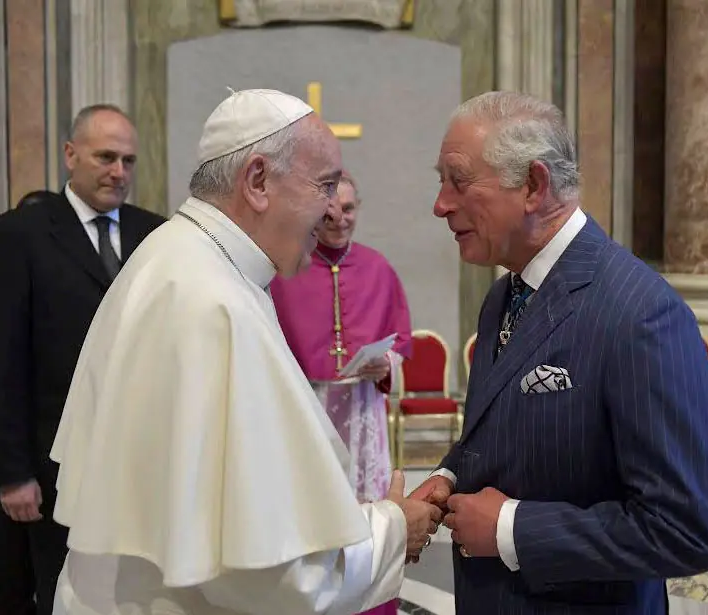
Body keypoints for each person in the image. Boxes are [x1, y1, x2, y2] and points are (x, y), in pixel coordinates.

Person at [48, 89, 442, 615]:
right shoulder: (214, 303)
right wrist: (395, 530)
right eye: (324, 186)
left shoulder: (175, 256)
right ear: (258, 181)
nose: (332, 210)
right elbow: (275, 578)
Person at [411, 91, 708, 614]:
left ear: (533, 185)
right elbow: (510, 428)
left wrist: (512, 529)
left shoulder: (640, 313)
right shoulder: (503, 296)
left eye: (458, 181)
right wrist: (450, 476)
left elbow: (685, 529)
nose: (440, 203)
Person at [0, 104, 166, 615]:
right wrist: (12, 472)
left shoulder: (156, 234)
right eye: (106, 157)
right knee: (58, 591)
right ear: (71, 155)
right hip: (53, 465)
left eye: (129, 161)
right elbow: (5, 359)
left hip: (138, 458)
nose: (119, 172)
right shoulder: (21, 234)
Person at [271, 173, 413, 615]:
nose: (339, 220)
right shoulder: (287, 268)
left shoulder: (378, 267)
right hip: (308, 413)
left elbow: (401, 341)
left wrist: (384, 364)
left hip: (363, 416)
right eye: (329, 212)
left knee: (369, 517)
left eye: (348, 210)